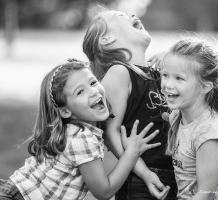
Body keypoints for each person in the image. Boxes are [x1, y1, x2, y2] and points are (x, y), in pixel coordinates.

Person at [0, 60, 162, 200]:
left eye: (92, 82)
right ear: (65, 111)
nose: (93, 92)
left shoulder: (73, 130)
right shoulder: (82, 138)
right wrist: (131, 153)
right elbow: (104, 191)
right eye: (80, 92)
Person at [83, 6, 177, 200]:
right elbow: (109, 131)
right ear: (107, 39)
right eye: (121, 16)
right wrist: (144, 173)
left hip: (177, 173)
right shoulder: (120, 72)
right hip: (141, 179)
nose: (134, 16)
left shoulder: (160, 72)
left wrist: (174, 62)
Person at [159, 37, 218, 199]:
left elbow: (206, 194)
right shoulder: (179, 115)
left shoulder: (206, 132)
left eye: (179, 78)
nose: (167, 84)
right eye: (165, 75)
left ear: (205, 86)